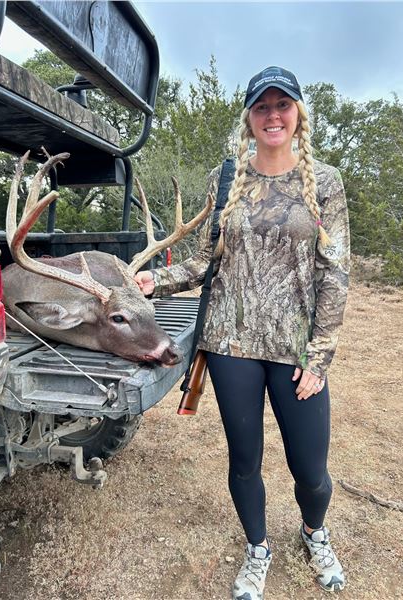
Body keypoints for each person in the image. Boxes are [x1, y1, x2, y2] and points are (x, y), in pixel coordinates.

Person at [134, 66, 350, 599]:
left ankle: (313, 531)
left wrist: (319, 356)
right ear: (250, 117)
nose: (272, 115)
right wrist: (158, 280)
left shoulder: (325, 182)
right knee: (244, 461)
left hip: (294, 347)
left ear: (298, 113)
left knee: (311, 470)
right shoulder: (227, 177)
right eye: (262, 107)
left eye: (282, 105)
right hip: (231, 343)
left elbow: (335, 273)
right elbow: (205, 261)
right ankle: (258, 549)